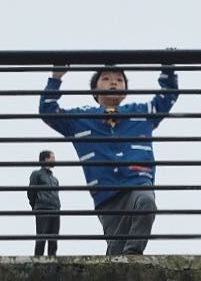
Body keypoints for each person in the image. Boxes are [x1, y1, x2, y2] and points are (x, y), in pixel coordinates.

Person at [39, 61, 179, 255]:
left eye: (119, 80)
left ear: (125, 91)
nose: (113, 82)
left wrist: (168, 70)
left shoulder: (141, 113)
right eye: (106, 79)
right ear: (95, 90)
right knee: (116, 248)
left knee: (146, 203)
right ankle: (121, 263)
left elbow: (167, 97)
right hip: (106, 195)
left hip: (137, 182)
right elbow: (48, 111)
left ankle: (132, 256)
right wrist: (56, 77)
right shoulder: (81, 119)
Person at [28, 150, 61, 256]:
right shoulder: (37, 174)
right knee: (41, 237)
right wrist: (36, 206)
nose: (55, 160)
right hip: (43, 209)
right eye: (52, 157)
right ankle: (38, 261)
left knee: (54, 239)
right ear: (46, 159)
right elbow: (31, 192)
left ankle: (52, 261)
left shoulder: (54, 179)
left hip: (55, 210)